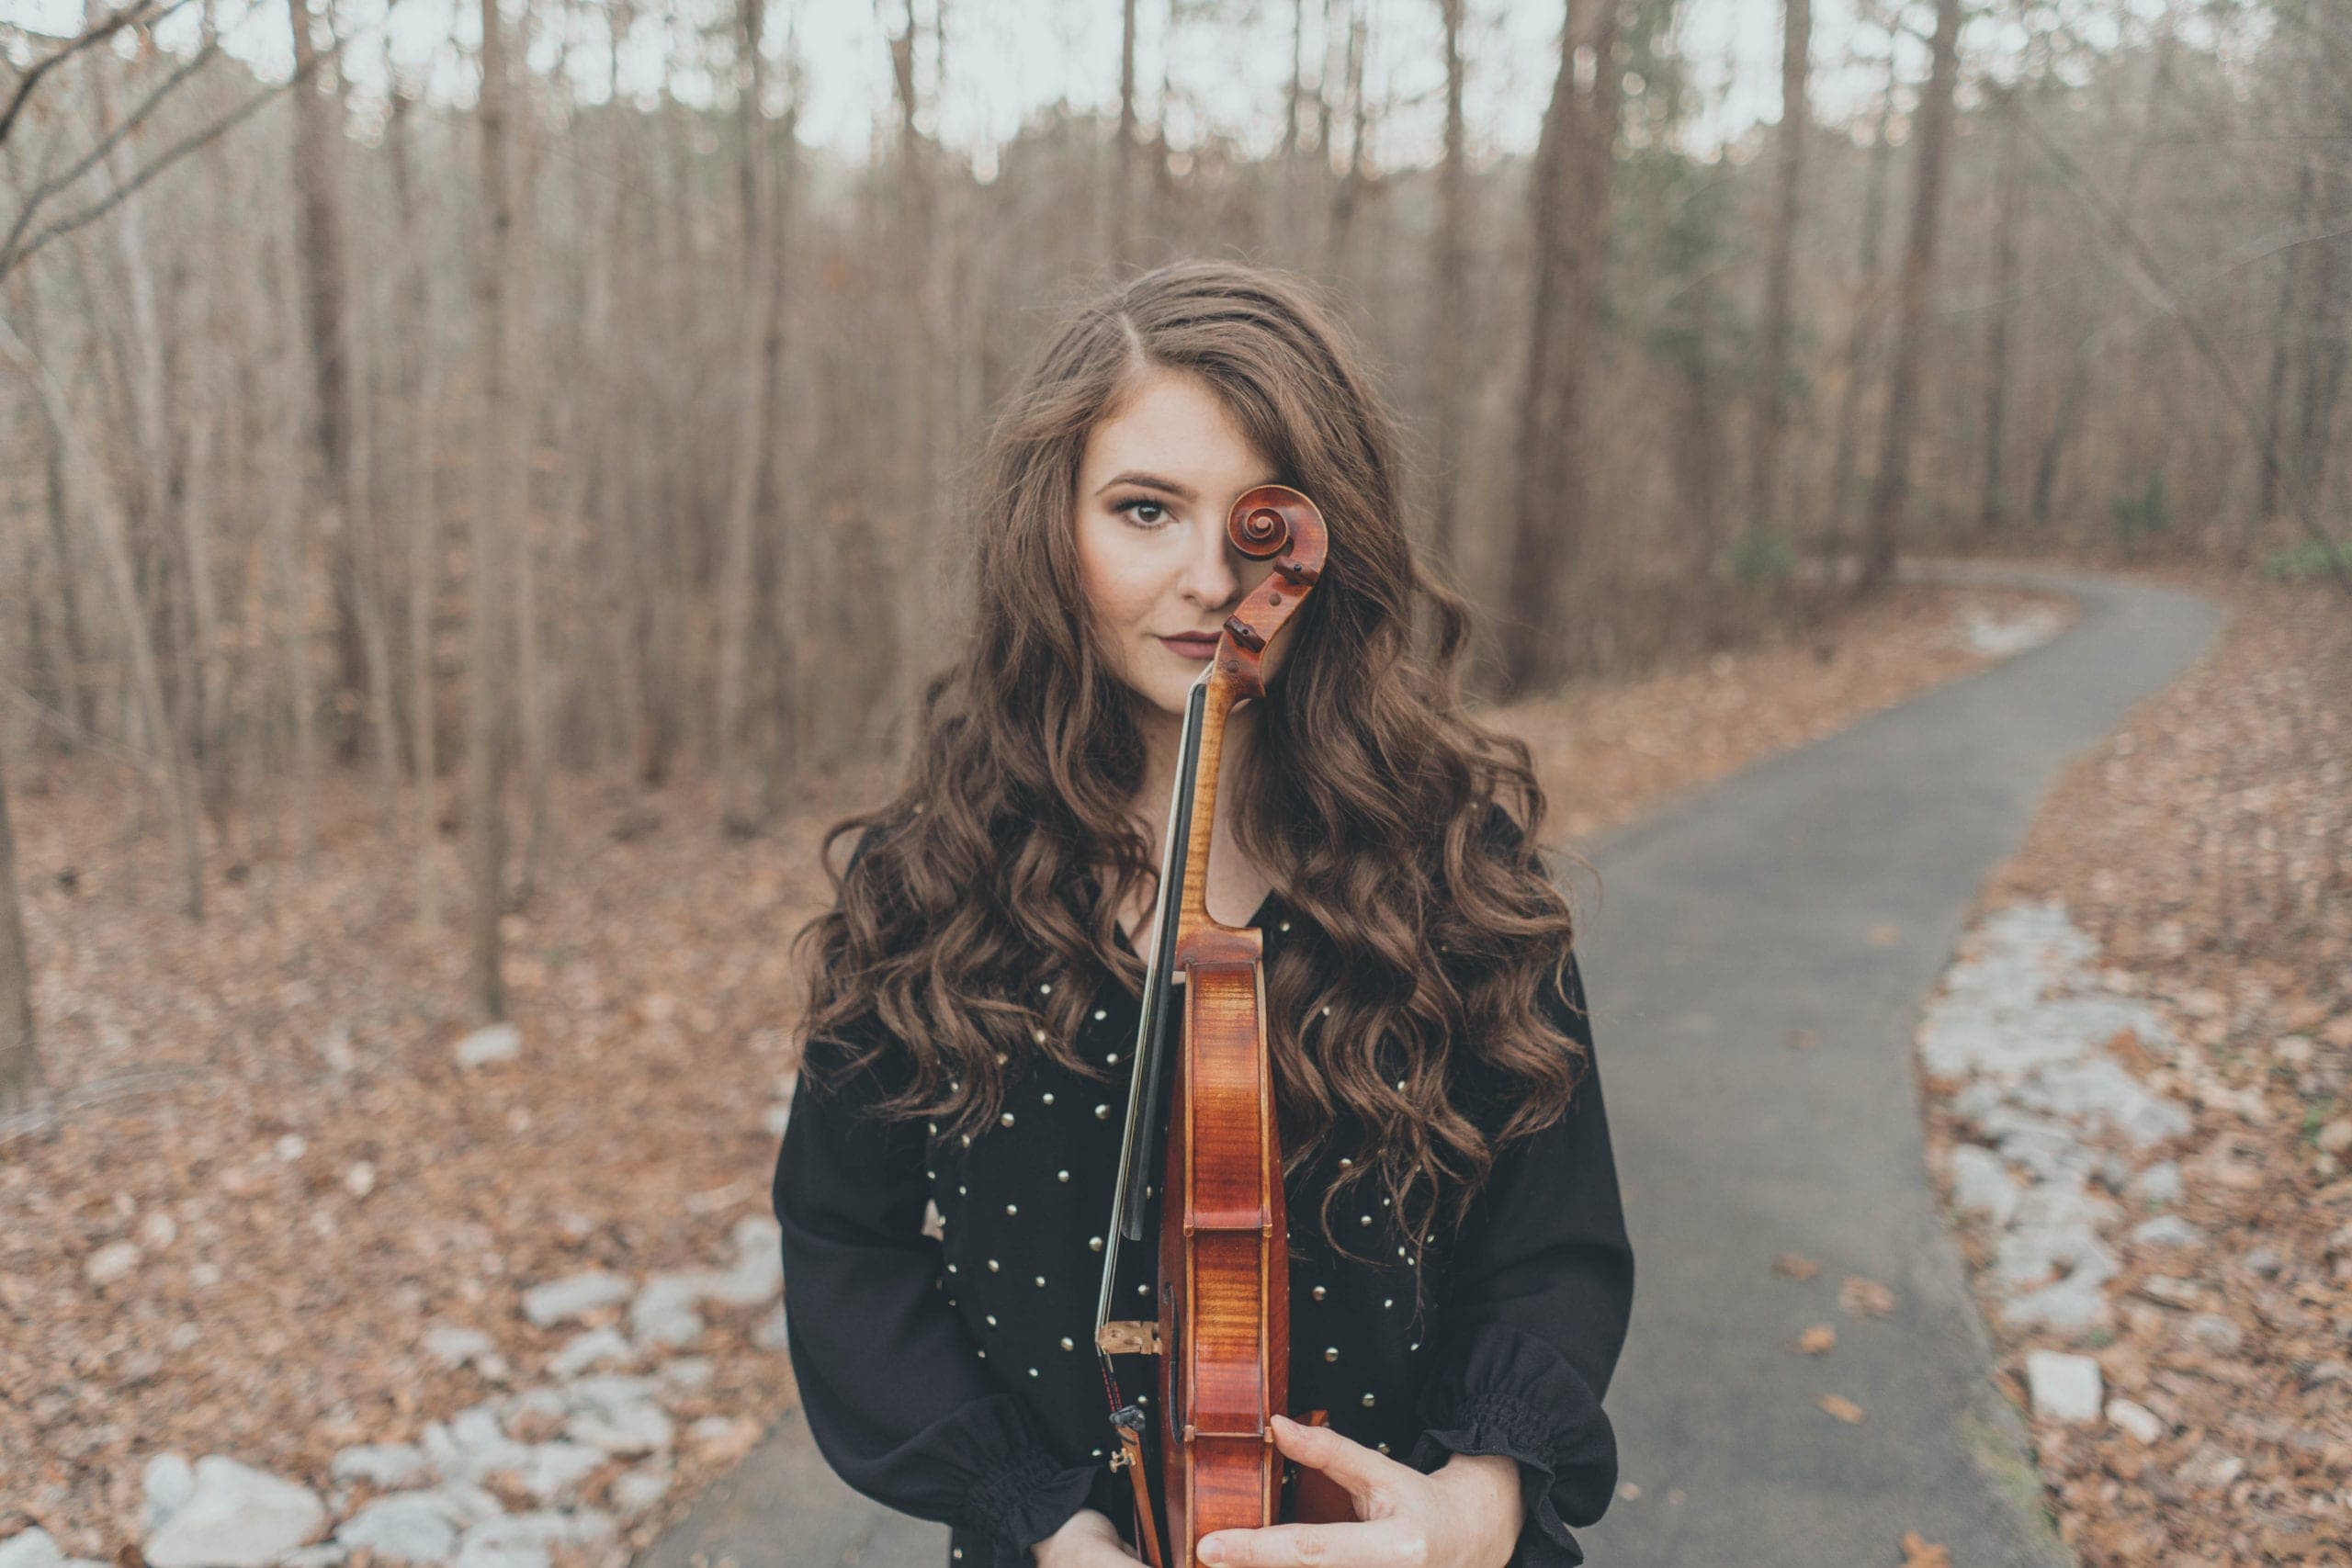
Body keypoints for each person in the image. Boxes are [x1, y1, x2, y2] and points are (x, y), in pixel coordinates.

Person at [771, 259, 1634, 1568]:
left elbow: (1553, 1245)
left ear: (1325, 543)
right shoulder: (929, 883)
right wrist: (1041, 1521)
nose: (1210, 582)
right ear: (1050, 528)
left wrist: (1473, 1508)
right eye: (1144, 511)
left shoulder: (1450, 865)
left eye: (1259, 525)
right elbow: (849, 1244)